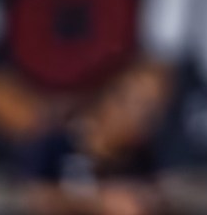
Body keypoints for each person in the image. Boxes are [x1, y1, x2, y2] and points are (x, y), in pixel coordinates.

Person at [20, 62, 168, 215]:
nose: (144, 119)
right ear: (111, 99)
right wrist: (97, 203)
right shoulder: (55, 144)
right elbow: (28, 196)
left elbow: (153, 197)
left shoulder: (142, 157)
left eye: (153, 110)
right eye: (139, 104)